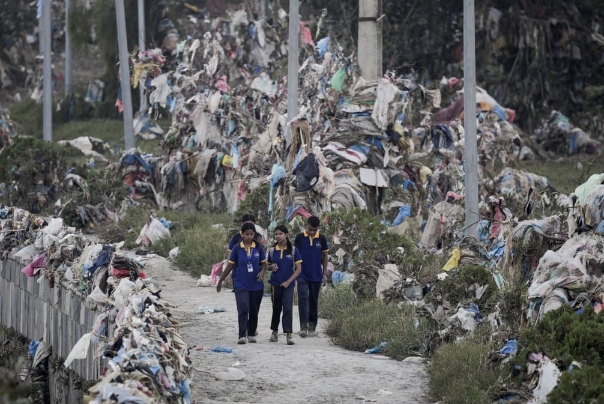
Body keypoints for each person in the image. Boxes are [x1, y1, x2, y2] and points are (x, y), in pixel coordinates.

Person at [217, 223, 267, 344]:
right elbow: (230, 265)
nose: (249, 237)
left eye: (251, 234)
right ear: (242, 234)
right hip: (241, 283)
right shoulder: (237, 248)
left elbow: (264, 263)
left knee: (254, 309)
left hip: (256, 284)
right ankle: (242, 335)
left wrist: (262, 272)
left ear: (254, 234)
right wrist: (220, 280)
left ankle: (251, 333)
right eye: (247, 234)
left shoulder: (259, 248)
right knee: (243, 308)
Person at [267, 225, 302, 345]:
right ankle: (275, 332)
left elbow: (298, 269)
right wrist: (271, 267)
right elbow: (267, 266)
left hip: (289, 285)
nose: (278, 236)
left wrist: (288, 281)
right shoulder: (272, 250)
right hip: (275, 284)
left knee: (288, 308)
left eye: (280, 234)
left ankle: (289, 334)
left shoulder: (293, 250)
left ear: (286, 235)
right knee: (276, 308)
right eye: (276, 234)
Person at [294, 216, 328, 338]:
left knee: (313, 300)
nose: (312, 232)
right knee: (303, 299)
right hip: (302, 274)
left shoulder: (322, 239)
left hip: (316, 274)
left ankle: (312, 326)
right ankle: (303, 327)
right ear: (306, 225)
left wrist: (324, 273)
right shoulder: (299, 238)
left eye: (314, 230)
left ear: (318, 228)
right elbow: (294, 255)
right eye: (310, 229)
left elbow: (325, 257)